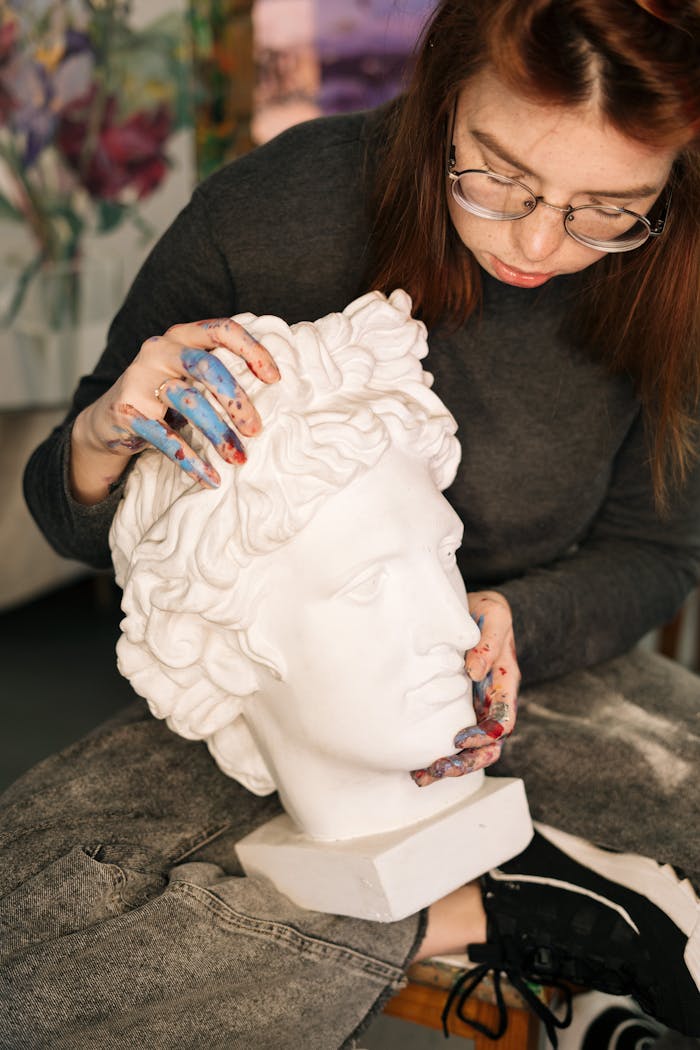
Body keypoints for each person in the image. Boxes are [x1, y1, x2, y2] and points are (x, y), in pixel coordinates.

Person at [3, 0, 700, 1045]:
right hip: (290, 695)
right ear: (439, 99)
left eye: (610, 207)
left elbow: (658, 548)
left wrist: (513, 620)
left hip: (548, 655)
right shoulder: (278, 209)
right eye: (498, 176)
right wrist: (106, 434)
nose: (543, 240)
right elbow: (85, 525)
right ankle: (483, 915)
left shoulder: (680, 267)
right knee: (41, 946)